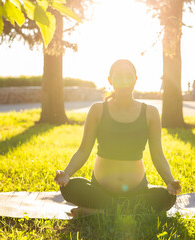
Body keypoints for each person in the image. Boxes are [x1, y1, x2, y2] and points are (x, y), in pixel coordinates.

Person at [55, 59, 181, 217]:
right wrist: (66, 173)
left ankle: (101, 211)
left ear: (135, 80)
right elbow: (83, 150)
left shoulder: (150, 113)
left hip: (136, 191)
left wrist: (170, 182)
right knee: (70, 187)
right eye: (118, 76)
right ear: (110, 80)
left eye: (128, 76)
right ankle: (123, 210)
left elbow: (158, 155)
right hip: (99, 191)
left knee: (166, 198)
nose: (124, 81)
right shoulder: (97, 110)